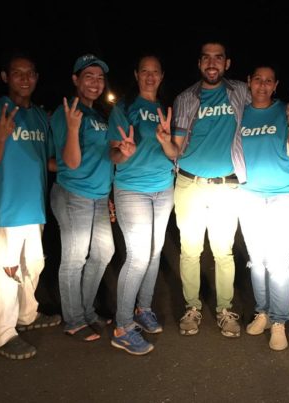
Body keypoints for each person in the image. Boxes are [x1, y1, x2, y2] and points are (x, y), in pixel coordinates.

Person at [0, 52, 60, 360]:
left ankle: (27, 315)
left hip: (34, 206)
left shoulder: (38, 116)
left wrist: (82, 163)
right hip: (8, 209)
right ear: (5, 77)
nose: (24, 78)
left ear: (36, 78)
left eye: (30, 73)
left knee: (33, 265)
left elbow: (48, 161)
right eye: (17, 73)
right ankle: (4, 334)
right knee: (7, 273)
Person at [172, 40, 250, 338]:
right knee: (190, 250)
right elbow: (177, 144)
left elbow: (266, 111)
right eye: (206, 58)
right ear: (199, 63)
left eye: (218, 57)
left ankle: (224, 310)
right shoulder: (184, 98)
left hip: (226, 186)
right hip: (189, 183)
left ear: (227, 63)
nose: (212, 63)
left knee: (223, 251)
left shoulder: (241, 92)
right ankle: (192, 307)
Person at [107, 55, 178, 355]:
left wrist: (165, 140)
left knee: (154, 251)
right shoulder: (124, 109)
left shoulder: (166, 109)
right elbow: (113, 154)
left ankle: (143, 309)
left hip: (163, 188)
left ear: (162, 76)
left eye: (155, 72)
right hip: (132, 189)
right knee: (138, 256)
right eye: (144, 72)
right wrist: (124, 152)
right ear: (136, 75)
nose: (150, 77)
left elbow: (174, 153)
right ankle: (122, 327)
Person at [238, 64, 289, 350]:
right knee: (257, 259)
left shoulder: (285, 111)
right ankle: (263, 312)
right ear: (249, 82)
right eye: (258, 80)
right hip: (249, 194)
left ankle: (279, 321)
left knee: (278, 260)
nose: (263, 85)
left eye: (269, 81)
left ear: (275, 85)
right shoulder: (240, 113)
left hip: (286, 194)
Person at [50, 54, 115, 342]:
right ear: (76, 80)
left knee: (103, 252)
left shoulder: (97, 115)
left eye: (100, 77)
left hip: (98, 196)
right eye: (89, 76)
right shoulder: (67, 112)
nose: (95, 82)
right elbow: (72, 162)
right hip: (74, 194)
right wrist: (73, 129)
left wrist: (108, 192)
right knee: (74, 258)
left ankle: (87, 311)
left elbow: (101, 158)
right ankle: (74, 319)